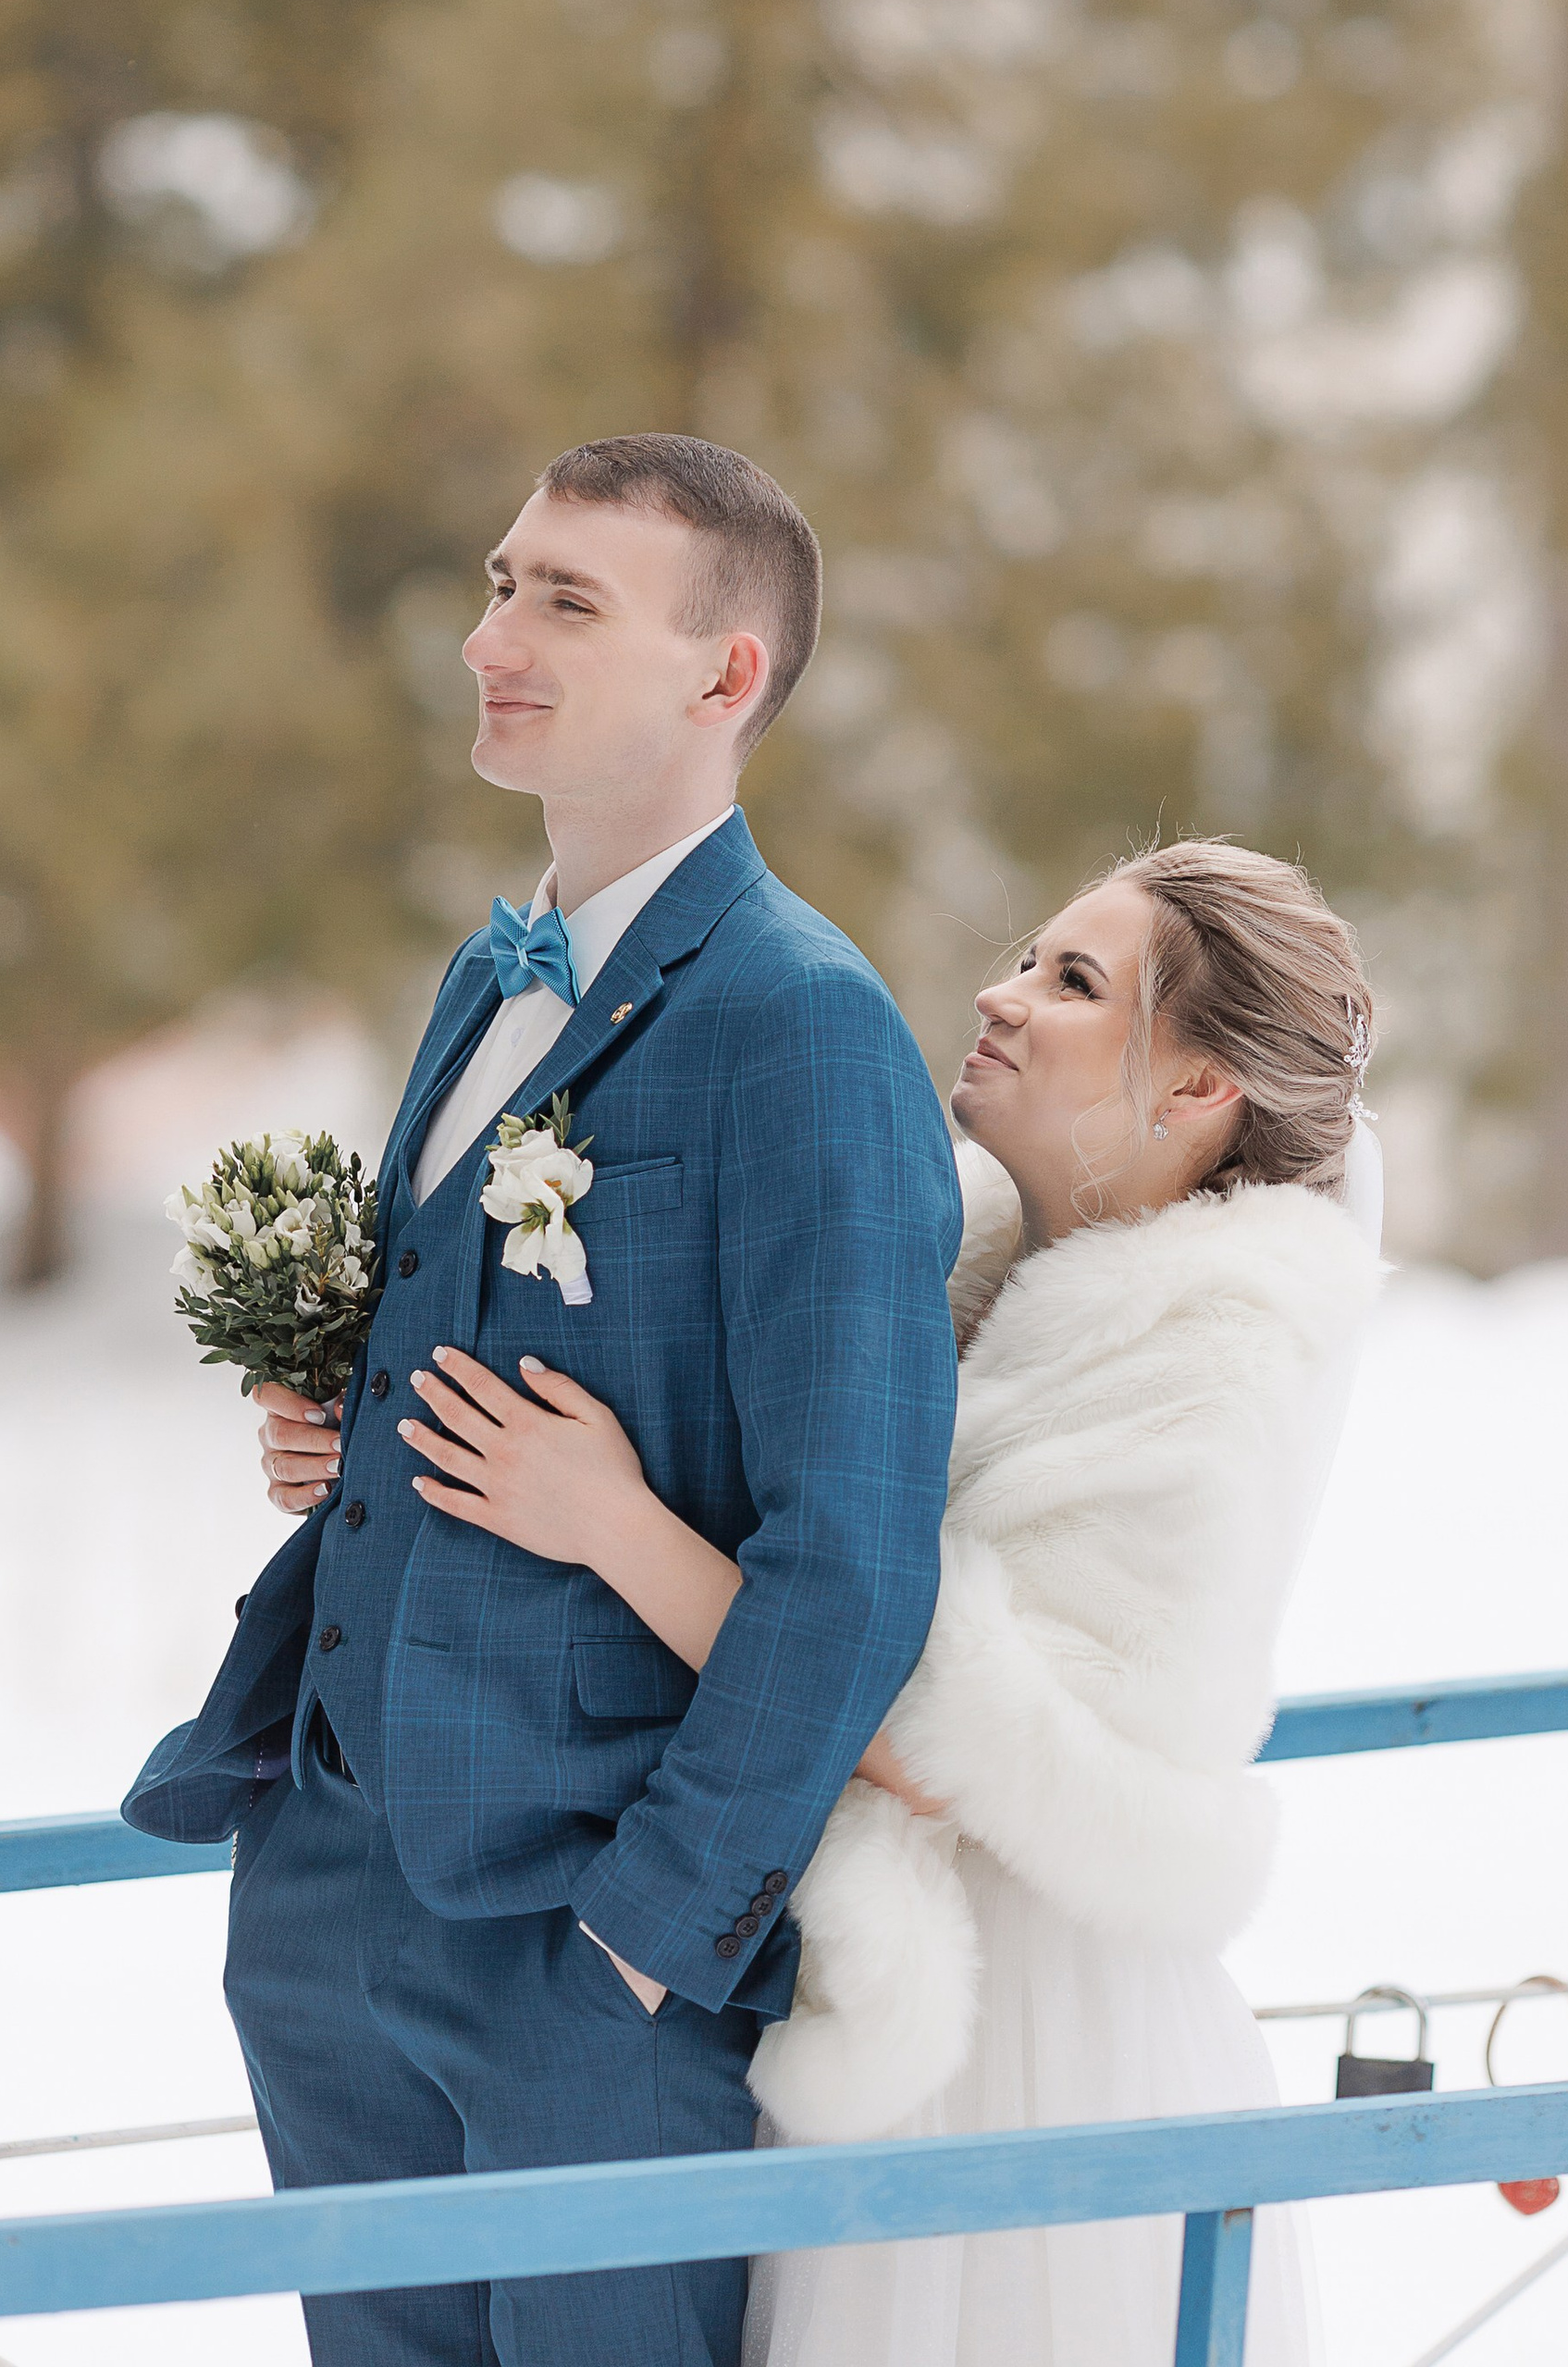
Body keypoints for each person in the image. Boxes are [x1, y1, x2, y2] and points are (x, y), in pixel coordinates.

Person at [123, 435, 963, 2367]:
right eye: (502, 583)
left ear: (720, 675)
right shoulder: (479, 979)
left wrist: (648, 1949)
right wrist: (353, 1447)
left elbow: (849, 1561)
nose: (491, 635)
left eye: (565, 602)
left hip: (590, 1940)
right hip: (333, 1908)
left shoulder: (803, 1024)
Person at [401, 838, 1381, 2367]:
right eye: (1026, 955)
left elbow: (943, 1733)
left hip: (1027, 2036)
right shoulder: (965, 1273)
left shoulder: (1216, 1359)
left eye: (1071, 983)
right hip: (878, 1987)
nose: (997, 996)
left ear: (1200, 1089)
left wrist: (610, 1523)